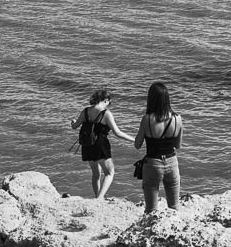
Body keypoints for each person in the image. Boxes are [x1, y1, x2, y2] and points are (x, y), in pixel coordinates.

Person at [70, 89, 130, 200]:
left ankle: (97, 197)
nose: (109, 105)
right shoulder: (106, 114)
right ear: (106, 100)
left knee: (95, 174)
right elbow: (117, 132)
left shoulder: (85, 111)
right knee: (109, 173)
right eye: (109, 102)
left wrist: (73, 122)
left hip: (87, 145)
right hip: (101, 145)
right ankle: (99, 199)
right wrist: (133, 140)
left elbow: (75, 126)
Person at [134, 81, 183, 212]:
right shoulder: (177, 118)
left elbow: (137, 145)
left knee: (151, 209)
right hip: (172, 162)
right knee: (174, 207)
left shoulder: (147, 119)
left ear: (151, 99)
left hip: (153, 164)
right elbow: (177, 145)